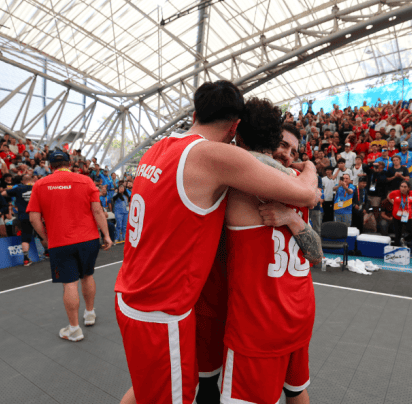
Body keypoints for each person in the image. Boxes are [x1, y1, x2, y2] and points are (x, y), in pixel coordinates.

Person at [115, 81, 320, 404]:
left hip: (138, 293)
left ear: (196, 113)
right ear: (234, 127)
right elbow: (308, 194)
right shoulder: (218, 159)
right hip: (170, 311)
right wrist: (308, 167)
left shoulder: (159, 148)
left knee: (151, 389)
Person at [216, 102, 321, 403]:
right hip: (296, 313)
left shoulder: (236, 177)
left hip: (258, 324)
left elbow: (316, 255)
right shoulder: (298, 185)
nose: (288, 155)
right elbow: (315, 255)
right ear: (270, 138)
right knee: (296, 390)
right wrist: (310, 171)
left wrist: (292, 218)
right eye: (283, 145)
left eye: (293, 152)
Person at [27, 150, 113, 342]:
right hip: (88, 239)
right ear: (70, 162)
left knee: (69, 283)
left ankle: (74, 329)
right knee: (88, 275)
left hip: (60, 241)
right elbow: (97, 210)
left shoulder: (40, 185)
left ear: (50, 166)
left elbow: (33, 218)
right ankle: (89, 313)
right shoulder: (85, 181)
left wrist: (46, 238)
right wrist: (106, 235)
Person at [2, 174, 35, 266]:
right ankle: (48, 253)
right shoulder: (37, 187)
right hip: (37, 215)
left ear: (22, 181)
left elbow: (3, 194)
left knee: (25, 236)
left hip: (24, 215)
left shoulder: (18, 188)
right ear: (32, 180)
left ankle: (26, 259)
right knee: (43, 234)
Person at [388, 181, 412, 246]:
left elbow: (411, 201)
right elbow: (389, 197)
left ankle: (404, 240)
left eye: (405, 187)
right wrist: (392, 202)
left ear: (408, 188)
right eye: (401, 186)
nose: (403, 188)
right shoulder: (395, 192)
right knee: (397, 236)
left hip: (406, 216)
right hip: (397, 217)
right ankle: (395, 253)